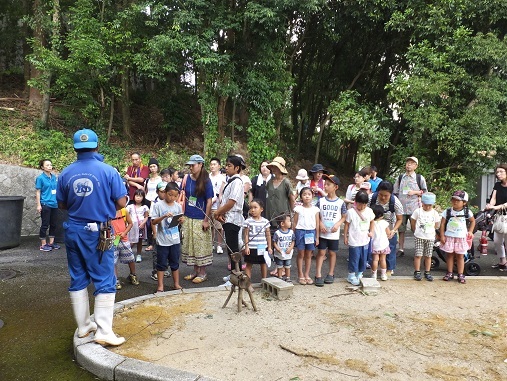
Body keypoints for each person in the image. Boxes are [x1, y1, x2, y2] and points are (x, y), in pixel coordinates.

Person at [57, 128, 126, 346]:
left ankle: (84, 326)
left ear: (75, 148)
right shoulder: (108, 171)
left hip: (73, 230)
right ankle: (104, 331)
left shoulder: (66, 173)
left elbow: (61, 204)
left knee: (78, 277)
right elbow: (122, 202)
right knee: (105, 278)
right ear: (97, 146)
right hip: (98, 232)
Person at [180, 154, 213, 284]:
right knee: (191, 245)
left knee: (200, 245)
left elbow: (209, 201)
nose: (191, 168)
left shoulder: (206, 180)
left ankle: (202, 272)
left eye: (193, 165)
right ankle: (195, 271)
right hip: (188, 216)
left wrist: (206, 219)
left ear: (200, 165)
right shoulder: (187, 178)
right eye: (190, 165)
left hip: (200, 217)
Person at [214, 155, 246, 272]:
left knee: (233, 250)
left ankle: (237, 274)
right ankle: (234, 274)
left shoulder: (237, 182)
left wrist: (217, 212)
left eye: (229, 165)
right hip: (228, 218)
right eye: (226, 165)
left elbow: (232, 202)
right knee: (230, 249)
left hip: (233, 218)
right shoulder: (231, 181)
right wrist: (220, 213)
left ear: (237, 168)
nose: (226, 168)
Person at [151, 182, 184, 292]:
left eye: (175, 196)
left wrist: (181, 221)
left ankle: (176, 284)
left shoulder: (178, 206)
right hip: (163, 240)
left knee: (175, 262)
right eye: (170, 194)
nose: (172, 197)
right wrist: (164, 216)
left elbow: (179, 221)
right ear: (165, 193)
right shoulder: (158, 205)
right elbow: (153, 221)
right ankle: (160, 286)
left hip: (175, 240)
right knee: (161, 264)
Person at [315, 174, 346, 287]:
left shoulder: (340, 202)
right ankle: (318, 274)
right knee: (321, 252)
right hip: (323, 232)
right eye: (325, 184)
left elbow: (344, 216)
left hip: (334, 234)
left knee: (332, 253)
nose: (326, 186)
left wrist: (338, 224)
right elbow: (317, 214)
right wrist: (321, 223)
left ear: (335, 187)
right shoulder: (321, 201)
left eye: (328, 185)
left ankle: (331, 273)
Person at [393, 156, 428, 256]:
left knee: (416, 229)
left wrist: (415, 192)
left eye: (412, 163)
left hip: (414, 208)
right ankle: (401, 249)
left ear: (416, 166)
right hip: (401, 208)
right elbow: (395, 192)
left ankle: (418, 250)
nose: (409, 164)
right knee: (401, 229)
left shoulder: (419, 178)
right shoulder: (400, 177)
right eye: (408, 162)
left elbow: (425, 192)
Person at [440, 191, 475, 284]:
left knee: (460, 256)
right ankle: (449, 272)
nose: (455, 202)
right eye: (453, 200)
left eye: (458, 200)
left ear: (464, 202)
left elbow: (472, 221)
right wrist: (442, 235)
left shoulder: (467, 212)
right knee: (449, 255)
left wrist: (470, 231)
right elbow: (442, 223)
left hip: (461, 237)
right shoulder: (447, 211)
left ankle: (460, 273)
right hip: (450, 236)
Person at [369, 181, 403, 275]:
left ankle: (389, 269)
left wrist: (393, 230)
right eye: (381, 195)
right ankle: (373, 268)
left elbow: (400, 219)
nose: (383, 197)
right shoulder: (371, 198)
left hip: (389, 228)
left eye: (386, 195)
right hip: (374, 229)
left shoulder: (395, 202)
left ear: (391, 194)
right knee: (373, 249)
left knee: (390, 249)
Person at [343, 190, 375, 286]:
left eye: (364, 205)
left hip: (365, 240)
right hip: (354, 240)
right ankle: (351, 275)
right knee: (354, 258)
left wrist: (372, 231)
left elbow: (372, 221)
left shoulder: (369, 211)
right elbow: (347, 225)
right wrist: (345, 236)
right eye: (360, 205)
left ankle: (360, 273)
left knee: (363, 258)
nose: (362, 207)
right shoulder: (351, 212)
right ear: (356, 202)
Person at [410, 192, 440, 281]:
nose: (427, 207)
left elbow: (437, 224)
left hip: (430, 237)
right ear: (422, 203)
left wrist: (431, 230)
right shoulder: (418, 211)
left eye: (430, 205)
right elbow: (413, 221)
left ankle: (427, 271)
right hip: (419, 236)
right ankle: (417, 271)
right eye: (425, 205)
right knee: (418, 254)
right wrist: (415, 230)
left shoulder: (434, 213)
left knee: (428, 255)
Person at [294, 187, 320, 285]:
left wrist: (317, 237)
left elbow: (317, 224)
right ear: (301, 197)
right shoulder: (298, 209)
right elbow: (295, 222)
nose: (307, 196)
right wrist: (293, 235)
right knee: (301, 254)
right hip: (300, 232)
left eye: (309, 194)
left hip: (311, 233)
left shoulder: (315, 209)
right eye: (304, 194)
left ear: (313, 196)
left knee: (309, 255)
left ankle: (307, 274)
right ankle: (300, 274)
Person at [110, 207, 140, 290]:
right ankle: (115, 280)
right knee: (113, 261)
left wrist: (124, 233)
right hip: (113, 240)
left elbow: (130, 223)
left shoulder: (124, 211)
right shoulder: (107, 211)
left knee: (131, 258)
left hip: (124, 238)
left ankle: (133, 275)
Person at [243, 199, 272, 282]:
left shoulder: (265, 221)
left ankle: (264, 281)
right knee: (249, 264)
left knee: (263, 264)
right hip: (252, 247)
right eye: (251, 208)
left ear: (261, 209)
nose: (253, 210)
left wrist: (269, 247)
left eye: (255, 207)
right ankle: (248, 283)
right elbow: (246, 235)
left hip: (263, 247)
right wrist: (246, 246)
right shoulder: (248, 221)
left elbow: (268, 235)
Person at [485, 163, 507, 270]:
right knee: (497, 240)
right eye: (497, 172)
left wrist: (497, 207)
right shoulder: (497, 185)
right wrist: (490, 205)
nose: (498, 174)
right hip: (499, 216)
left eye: (501, 171)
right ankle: (502, 261)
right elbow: (493, 197)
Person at [265, 157, 295, 234]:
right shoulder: (269, 182)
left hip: (283, 213)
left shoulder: (286, 183)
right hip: (270, 212)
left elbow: (292, 198)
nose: (273, 168)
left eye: (276, 166)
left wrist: (292, 213)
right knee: (270, 235)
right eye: (273, 166)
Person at [35, 159, 60, 252]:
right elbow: (38, 192)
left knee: (53, 224)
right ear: (42, 167)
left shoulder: (54, 177)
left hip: (54, 203)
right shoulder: (40, 178)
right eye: (47, 165)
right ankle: (43, 244)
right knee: (45, 224)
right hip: (45, 203)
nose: (50, 166)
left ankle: (51, 243)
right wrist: (38, 205)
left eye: (50, 165)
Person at [126, 189, 150, 263]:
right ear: (134, 196)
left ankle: (139, 254)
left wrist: (143, 223)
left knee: (139, 240)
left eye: (140, 196)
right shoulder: (130, 206)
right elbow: (127, 215)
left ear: (143, 197)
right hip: (132, 225)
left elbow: (146, 216)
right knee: (131, 239)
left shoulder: (145, 207)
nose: (138, 198)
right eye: (137, 196)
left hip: (140, 226)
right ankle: (128, 252)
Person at [209, 157, 226, 254]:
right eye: (211, 164)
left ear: (219, 166)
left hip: (218, 206)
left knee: (219, 226)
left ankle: (219, 245)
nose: (212, 166)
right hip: (208, 205)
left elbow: (222, 193)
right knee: (210, 225)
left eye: (214, 164)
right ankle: (211, 244)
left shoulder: (222, 178)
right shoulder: (207, 177)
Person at [144, 158, 161, 252]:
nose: (152, 168)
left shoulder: (160, 179)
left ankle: (157, 242)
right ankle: (150, 243)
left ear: (158, 167)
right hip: (148, 201)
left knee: (156, 221)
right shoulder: (147, 180)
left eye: (154, 166)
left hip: (157, 202)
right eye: (150, 166)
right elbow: (145, 190)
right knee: (148, 223)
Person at [273, 214, 295, 282]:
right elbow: (274, 242)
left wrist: (290, 248)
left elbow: (293, 241)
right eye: (288, 221)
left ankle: (288, 277)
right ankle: (280, 277)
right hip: (280, 253)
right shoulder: (277, 233)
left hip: (288, 252)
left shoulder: (291, 232)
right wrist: (277, 248)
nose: (290, 222)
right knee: (280, 265)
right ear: (282, 223)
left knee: (288, 265)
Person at [370, 204, 391, 281]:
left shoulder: (371, 223)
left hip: (375, 244)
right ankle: (383, 275)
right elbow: (388, 233)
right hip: (384, 244)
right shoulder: (384, 223)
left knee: (375, 260)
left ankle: (374, 274)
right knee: (383, 259)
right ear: (381, 215)